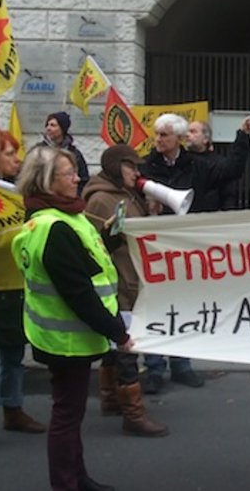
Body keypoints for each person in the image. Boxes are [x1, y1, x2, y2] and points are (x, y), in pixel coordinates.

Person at [12, 146, 133, 491]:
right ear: (48, 181)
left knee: (72, 412)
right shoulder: (55, 228)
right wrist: (118, 333)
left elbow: (86, 263)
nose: (77, 176)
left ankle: (78, 478)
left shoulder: (64, 217)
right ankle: (66, 483)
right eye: (69, 173)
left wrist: (110, 237)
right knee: (67, 416)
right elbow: (78, 293)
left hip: (65, 337)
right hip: (66, 340)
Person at [138, 113, 250, 392]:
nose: (158, 140)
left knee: (182, 305)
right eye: (156, 135)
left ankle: (181, 365)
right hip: (156, 245)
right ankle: (154, 368)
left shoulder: (197, 166)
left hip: (184, 246)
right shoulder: (146, 166)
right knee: (155, 305)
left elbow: (232, 170)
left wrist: (242, 137)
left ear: (178, 139)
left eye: (164, 135)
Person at [82, 144, 169, 437]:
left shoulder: (121, 195)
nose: (137, 171)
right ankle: (133, 414)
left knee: (114, 346)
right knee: (126, 347)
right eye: (131, 166)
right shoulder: (103, 200)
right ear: (117, 167)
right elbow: (100, 245)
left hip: (126, 279)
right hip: (118, 283)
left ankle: (110, 399)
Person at [0, 130, 47, 439]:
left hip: (18, 286)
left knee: (14, 355)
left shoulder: (21, 194)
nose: (17, 159)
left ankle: (13, 410)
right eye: (9, 154)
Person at [185, 119, 250, 210]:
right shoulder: (181, 160)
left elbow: (232, 169)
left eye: (193, 132)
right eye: (187, 132)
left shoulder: (216, 163)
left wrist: (243, 135)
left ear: (205, 139)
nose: (187, 135)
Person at [37, 112, 89, 194]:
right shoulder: (38, 151)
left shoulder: (75, 154)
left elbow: (83, 180)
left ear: (62, 129)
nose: (48, 128)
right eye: (47, 125)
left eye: (53, 125)